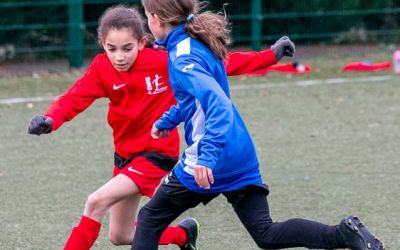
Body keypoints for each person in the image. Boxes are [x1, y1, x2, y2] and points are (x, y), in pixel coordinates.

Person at [27, 4, 293, 250]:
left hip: (155, 155)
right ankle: (184, 235)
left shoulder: (166, 59)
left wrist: (271, 55)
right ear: (102, 45)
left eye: (127, 48)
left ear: (142, 42)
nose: (119, 57)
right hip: (125, 157)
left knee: (95, 202)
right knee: (120, 236)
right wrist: (51, 120)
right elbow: (75, 97)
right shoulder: (101, 68)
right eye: (111, 48)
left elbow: (223, 64)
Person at [131, 0, 385, 249]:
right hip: (239, 152)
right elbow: (198, 98)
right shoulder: (196, 40)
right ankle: (344, 234)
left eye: (146, 15)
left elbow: (217, 103)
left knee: (149, 219)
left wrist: (206, 157)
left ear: (156, 18)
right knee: (266, 233)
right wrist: (169, 120)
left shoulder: (182, 58)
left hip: (211, 157)